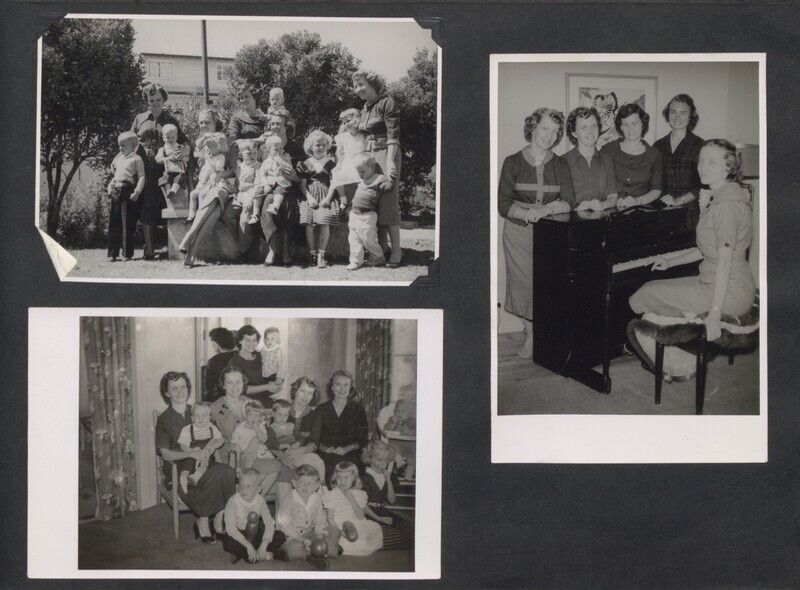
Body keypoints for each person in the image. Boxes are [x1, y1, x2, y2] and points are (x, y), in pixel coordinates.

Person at [629, 139, 756, 379]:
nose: (702, 167)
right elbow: (708, 249)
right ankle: (680, 354)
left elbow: (725, 262)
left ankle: (678, 362)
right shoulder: (724, 195)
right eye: (701, 160)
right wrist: (670, 261)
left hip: (728, 291)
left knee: (645, 293)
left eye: (711, 162)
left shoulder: (726, 205)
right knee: (653, 289)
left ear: (728, 167)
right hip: (720, 282)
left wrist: (715, 314)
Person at [498, 108, 576, 358]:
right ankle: (531, 333)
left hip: (551, 235)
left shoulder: (561, 163)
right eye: (545, 128)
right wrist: (527, 214)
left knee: (547, 284)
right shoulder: (513, 162)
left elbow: (569, 201)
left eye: (555, 131)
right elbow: (503, 204)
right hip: (518, 234)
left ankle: (542, 333)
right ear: (532, 128)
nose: (550, 135)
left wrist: (547, 210)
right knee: (524, 286)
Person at [155, 371, 236, 543]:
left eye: (183, 387)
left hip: (206, 459)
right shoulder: (164, 419)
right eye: (174, 388)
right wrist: (192, 453)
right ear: (167, 393)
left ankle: (219, 518)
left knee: (228, 472)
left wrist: (208, 450)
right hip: (179, 465)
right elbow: (165, 453)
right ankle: (203, 521)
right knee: (210, 476)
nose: (179, 391)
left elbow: (216, 436)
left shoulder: (199, 410)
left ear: (188, 389)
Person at [130, 82, 189, 259]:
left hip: (165, 167)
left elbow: (184, 141)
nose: (154, 103)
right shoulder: (140, 118)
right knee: (147, 205)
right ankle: (148, 248)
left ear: (163, 100)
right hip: (144, 166)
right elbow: (130, 140)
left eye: (157, 99)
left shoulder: (170, 121)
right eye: (151, 100)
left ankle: (174, 244)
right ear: (146, 100)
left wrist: (183, 151)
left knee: (165, 204)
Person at [352, 70, 403, 267]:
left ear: (372, 82)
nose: (358, 89)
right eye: (356, 86)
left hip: (387, 152)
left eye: (361, 84)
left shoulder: (386, 102)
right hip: (370, 155)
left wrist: (390, 162)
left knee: (388, 200)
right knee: (375, 201)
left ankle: (397, 251)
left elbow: (393, 136)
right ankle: (383, 249)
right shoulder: (365, 108)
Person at [179, 109, 239, 268]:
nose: (203, 125)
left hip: (225, 185)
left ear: (216, 123)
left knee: (217, 193)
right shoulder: (199, 145)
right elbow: (193, 170)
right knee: (216, 209)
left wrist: (219, 175)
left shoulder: (228, 143)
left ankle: (189, 236)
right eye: (201, 122)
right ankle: (191, 253)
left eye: (207, 122)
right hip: (206, 188)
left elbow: (234, 170)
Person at [258, 108, 306, 266]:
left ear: (287, 126)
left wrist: (294, 176)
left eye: (278, 124)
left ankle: (285, 249)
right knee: (268, 203)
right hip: (269, 189)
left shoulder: (295, 149)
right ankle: (272, 250)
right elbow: (259, 171)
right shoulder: (264, 149)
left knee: (289, 204)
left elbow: (301, 179)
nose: (274, 127)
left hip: (289, 189)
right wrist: (265, 185)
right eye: (271, 124)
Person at [309, 369, 369, 486]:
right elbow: (315, 437)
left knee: (352, 470)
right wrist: (328, 449)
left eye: (346, 385)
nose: (342, 389)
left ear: (350, 387)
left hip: (350, 453)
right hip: (326, 453)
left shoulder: (358, 409)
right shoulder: (321, 409)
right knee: (328, 468)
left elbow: (363, 439)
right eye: (338, 385)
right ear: (332, 387)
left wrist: (346, 448)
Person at [274, 464, 339, 570]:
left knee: (333, 530)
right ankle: (311, 557)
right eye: (301, 482)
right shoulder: (289, 499)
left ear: (317, 486)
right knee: (293, 548)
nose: (305, 486)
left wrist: (319, 537)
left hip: (309, 533)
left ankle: (326, 549)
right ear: (294, 483)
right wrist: (301, 540)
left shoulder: (317, 498)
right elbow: (284, 525)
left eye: (309, 483)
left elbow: (319, 520)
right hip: (291, 536)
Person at [600, 103, 662, 210]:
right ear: (620, 127)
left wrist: (637, 201)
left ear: (642, 124)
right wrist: (613, 200)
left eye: (635, 123)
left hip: (642, 212)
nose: (630, 129)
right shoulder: (607, 150)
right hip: (610, 212)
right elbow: (599, 183)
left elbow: (656, 190)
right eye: (626, 124)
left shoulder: (654, 154)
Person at [222, 468, 289, 564]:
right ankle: (268, 555)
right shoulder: (233, 501)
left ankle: (243, 553)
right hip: (239, 533)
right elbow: (230, 528)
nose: (244, 490)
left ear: (258, 489)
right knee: (227, 542)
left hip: (256, 532)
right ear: (237, 487)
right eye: (241, 486)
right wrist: (248, 545)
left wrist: (264, 544)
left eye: (249, 486)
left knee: (281, 536)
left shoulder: (260, 500)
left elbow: (269, 523)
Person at [563, 107, 619, 212]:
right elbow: (559, 200)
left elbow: (613, 197)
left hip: (602, 222)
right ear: (574, 132)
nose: (590, 132)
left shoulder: (607, 160)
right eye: (584, 127)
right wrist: (574, 208)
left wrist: (603, 205)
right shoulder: (562, 162)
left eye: (594, 126)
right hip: (572, 223)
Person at [361, 440, 415, 549]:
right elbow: (362, 504)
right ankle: (380, 541)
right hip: (367, 512)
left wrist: (389, 481)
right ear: (369, 459)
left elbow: (392, 500)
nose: (384, 463)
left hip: (381, 510)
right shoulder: (363, 477)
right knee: (380, 531)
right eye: (379, 460)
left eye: (386, 460)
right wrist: (379, 518)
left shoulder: (389, 476)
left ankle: (383, 541)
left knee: (408, 528)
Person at [654, 94, 704, 211]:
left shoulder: (700, 145)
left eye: (683, 113)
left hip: (689, 214)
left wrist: (679, 200)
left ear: (691, 116)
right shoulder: (658, 146)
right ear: (668, 114)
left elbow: (703, 185)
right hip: (662, 212)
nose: (677, 117)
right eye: (673, 112)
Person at [297, 129, 339, 268]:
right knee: (309, 224)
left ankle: (321, 255)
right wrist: (309, 198)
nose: (320, 147)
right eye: (317, 145)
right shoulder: (306, 163)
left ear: (327, 145)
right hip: (310, 195)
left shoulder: (331, 163)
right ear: (310, 147)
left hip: (325, 194)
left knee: (324, 221)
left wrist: (328, 198)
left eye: (323, 144)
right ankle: (312, 254)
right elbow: (302, 185)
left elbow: (334, 183)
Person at [323, 461, 383, 556]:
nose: (342, 481)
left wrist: (352, 499)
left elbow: (360, 516)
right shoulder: (332, 495)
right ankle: (336, 546)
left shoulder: (360, 494)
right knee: (330, 535)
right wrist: (339, 530)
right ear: (335, 477)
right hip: (336, 523)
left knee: (375, 529)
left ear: (354, 478)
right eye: (339, 477)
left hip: (355, 522)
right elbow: (330, 517)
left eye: (346, 477)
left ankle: (338, 548)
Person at [346, 152, 389, 271]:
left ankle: (378, 257)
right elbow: (357, 197)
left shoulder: (378, 178)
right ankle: (355, 261)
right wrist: (350, 207)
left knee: (368, 239)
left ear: (372, 167)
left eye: (362, 172)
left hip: (367, 216)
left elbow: (387, 184)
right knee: (354, 239)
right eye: (358, 172)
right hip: (354, 215)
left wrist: (386, 183)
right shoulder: (362, 180)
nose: (360, 174)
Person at [106, 131, 144, 261]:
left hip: (127, 191)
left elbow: (141, 177)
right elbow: (115, 176)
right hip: (116, 190)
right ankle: (113, 253)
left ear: (133, 146)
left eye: (124, 145)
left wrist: (137, 191)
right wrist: (109, 187)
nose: (121, 148)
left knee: (127, 223)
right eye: (119, 146)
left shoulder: (136, 159)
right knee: (114, 222)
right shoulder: (119, 159)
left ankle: (127, 253)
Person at [324, 108, 367, 210]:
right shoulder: (343, 137)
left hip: (360, 161)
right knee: (336, 174)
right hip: (348, 160)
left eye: (348, 121)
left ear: (357, 119)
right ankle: (343, 198)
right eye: (344, 123)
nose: (346, 124)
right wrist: (339, 165)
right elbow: (339, 151)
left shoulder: (363, 136)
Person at [209, 366, 254, 464]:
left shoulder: (251, 404)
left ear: (243, 383)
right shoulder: (214, 409)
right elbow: (212, 439)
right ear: (223, 385)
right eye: (230, 383)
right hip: (227, 457)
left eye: (238, 382)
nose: (235, 387)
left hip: (250, 453)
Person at [227, 325, 279, 407]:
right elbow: (240, 388)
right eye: (248, 340)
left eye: (254, 340)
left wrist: (274, 386)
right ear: (240, 341)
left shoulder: (260, 356)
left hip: (265, 401)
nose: (252, 344)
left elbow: (268, 379)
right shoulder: (234, 362)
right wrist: (267, 387)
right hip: (246, 404)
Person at [176, 402, 224, 492]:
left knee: (206, 461)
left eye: (204, 416)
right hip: (193, 454)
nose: (200, 419)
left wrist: (214, 447)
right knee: (186, 464)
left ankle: (196, 476)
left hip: (206, 454)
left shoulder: (212, 428)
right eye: (197, 416)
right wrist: (191, 450)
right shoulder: (187, 429)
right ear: (192, 418)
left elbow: (221, 440)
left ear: (209, 418)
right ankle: (183, 481)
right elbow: (182, 446)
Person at [183, 131, 227, 225]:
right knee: (193, 194)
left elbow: (216, 169)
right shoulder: (207, 153)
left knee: (202, 195)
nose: (207, 149)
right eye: (207, 146)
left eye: (210, 147)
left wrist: (208, 158)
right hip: (203, 181)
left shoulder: (220, 157)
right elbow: (198, 146)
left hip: (212, 182)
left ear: (217, 147)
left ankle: (201, 215)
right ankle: (191, 214)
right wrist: (204, 137)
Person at [231, 140, 262, 254]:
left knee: (244, 220)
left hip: (251, 198)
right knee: (227, 215)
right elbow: (237, 184)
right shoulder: (239, 167)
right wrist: (234, 192)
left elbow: (258, 185)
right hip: (239, 197)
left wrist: (249, 200)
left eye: (254, 153)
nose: (252, 156)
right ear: (241, 155)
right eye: (249, 154)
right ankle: (241, 242)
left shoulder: (258, 167)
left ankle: (244, 251)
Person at [226, 85, 267, 166]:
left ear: (255, 97)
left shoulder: (263, 117)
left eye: (246, 96)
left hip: (264, 160)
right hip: (244, 161)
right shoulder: (236, 118)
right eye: (241, 98)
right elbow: (233, 143)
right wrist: (257, 140)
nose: (243, 100)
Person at [256, 135, 293, 217]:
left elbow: (289, 168)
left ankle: (275, 206)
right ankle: (256, 213)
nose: (279, 151)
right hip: (270, 184)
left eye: (281, 148)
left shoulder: (286, 158)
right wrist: (265, 185)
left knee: (280, 191)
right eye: (276, 149)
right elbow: (262, 174)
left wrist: (281, 162)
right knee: (258, 193)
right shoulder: (266, 162)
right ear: (268, 151)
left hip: (283, 183)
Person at [230, 400, 272, 471]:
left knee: (250, 455)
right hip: (242, 451)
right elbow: (233, 442)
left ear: (260, 418)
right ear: (246, 416)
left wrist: (257, 429)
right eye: (250, 415)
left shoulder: (260, 426)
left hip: (254, 451)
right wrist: (236, 449)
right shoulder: (240, 427)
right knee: (236, 449)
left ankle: (247, 472)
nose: (253, 418)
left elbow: (264, 439)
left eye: (256, 416)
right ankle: (236, 469)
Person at [155, 123, 189, 199]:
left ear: (176, 137)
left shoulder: (181, 147)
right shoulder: (162, 149)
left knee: (180, 177)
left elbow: (187, 158)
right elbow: (157, 160)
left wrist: (182, 157)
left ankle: (173, 190)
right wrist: (168, 158)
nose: (170, 139)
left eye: (173, 137)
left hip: (179, 169)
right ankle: (168, 192)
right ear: (163, 138)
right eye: (168, 137)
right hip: (168, 170)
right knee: (167, 178)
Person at [261, 326, 286, 395]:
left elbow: (282, 365)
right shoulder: (263, 350)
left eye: (272, 339)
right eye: (267, 339)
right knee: (264, 391)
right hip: (264, 376)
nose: (270, 341)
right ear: (264, 340)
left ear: (277, 340)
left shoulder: (278, 350)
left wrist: (279, 377)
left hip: (274, 375)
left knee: (272, 390)